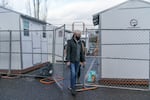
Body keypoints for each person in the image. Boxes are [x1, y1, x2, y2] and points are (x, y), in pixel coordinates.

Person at [66, 30, 85, 96]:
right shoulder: (70, 42)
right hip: (72, 61)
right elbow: (68, 52)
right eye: (78, 35)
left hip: (77, 61)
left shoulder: (80, 42)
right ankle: (73, 89)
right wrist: (68, 60)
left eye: (80, 35)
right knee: (73, 74)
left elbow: (81, 52)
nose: (79, 36)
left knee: (74, 75)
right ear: (74, 35)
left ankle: (72, 86)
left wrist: (83, 61)